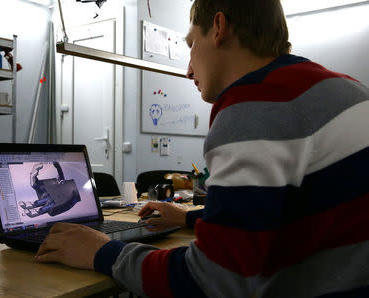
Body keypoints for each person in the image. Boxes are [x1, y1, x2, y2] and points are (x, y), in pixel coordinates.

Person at [35, 0, 369, 296]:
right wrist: (193, 219)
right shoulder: (346, 89)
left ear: (219, 28)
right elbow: (286, 212)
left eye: (191, 44)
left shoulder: (255, 105)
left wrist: (101, 252)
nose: (189, 69)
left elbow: (210, 282)